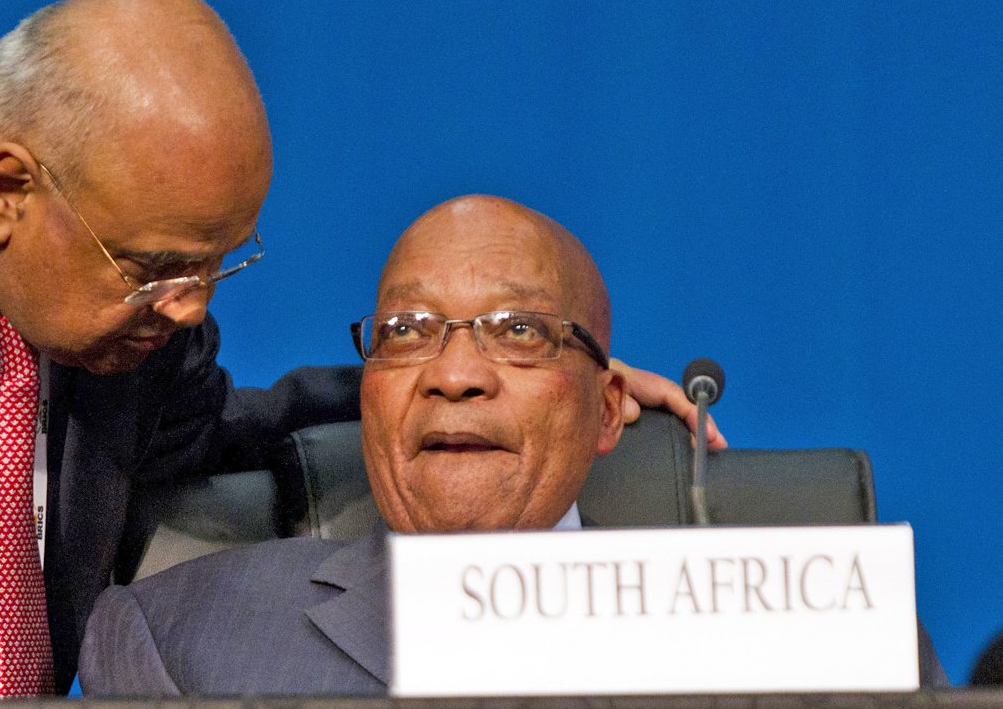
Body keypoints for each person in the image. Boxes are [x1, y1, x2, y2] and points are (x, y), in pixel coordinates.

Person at [0, 0, 714, 699]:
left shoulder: (110, 259)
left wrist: (466, 375)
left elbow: (211, 425)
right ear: (6, 192)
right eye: (158, 269)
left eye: (218, 262)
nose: (190, 309)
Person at [77, 194, 945, 695]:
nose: (455, 373)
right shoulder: (180, 634)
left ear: (608, 412)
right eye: (407, 330)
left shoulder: (809, 635)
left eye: (519, 331)